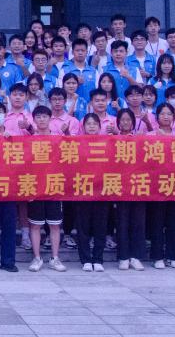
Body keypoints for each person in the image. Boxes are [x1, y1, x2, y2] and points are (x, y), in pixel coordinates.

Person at [26, 106, 67, 273]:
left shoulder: (59, 140)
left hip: (54, 186)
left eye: (44, 116)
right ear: (34, 120)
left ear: (50, 118)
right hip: (35, 187)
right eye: (38, 117)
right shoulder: (28, 141)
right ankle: (37, 258)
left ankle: (55, 258)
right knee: (35, 225)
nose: (42, 119)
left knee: (55, 225)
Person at [147, 103, 175, 270]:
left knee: (173, 222)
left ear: (173, 117)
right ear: (157, 117)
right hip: (156, 184)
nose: (166, 116)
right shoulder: (149, 136)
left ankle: (172, 256)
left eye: (169, 114)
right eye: (162, 114)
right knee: (157, 221)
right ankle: (157, 256)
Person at [114, 109, 146, 271]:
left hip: (138, 185)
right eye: (122, 120)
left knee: (138, 222)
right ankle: (123, 257)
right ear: (118, 122)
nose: (125, 123)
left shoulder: (140, 140)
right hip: (119, 186)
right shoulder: (112, 140)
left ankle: (136, 256)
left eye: (128, 120)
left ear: (133, 122)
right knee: (122, 222)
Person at [75, 113, 108, 272]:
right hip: (82, 190)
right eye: (88, 124)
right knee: (83, 227)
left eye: (95, 123)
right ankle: (86, 259)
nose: (92, 126)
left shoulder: (107, 143)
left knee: (100, 226)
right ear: (83, 127)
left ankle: (98, 259)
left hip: (102, 190)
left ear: (100, 127)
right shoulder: (77, 144)